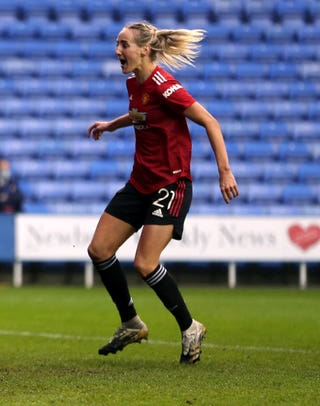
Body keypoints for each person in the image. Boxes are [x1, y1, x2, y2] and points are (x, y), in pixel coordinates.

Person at [86, 21, 239, 364]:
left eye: (123, 44)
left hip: (171, 184)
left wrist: (224, 171)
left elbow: (210, 122)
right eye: (116, 43)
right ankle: (131, 322)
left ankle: (190, 327)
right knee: (99, 249)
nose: (117, 51)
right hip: (140, 182)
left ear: (144, 50)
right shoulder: (135, 84)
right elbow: (141, 113)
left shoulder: (164, 85)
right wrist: (112, 125)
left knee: (144, 263)